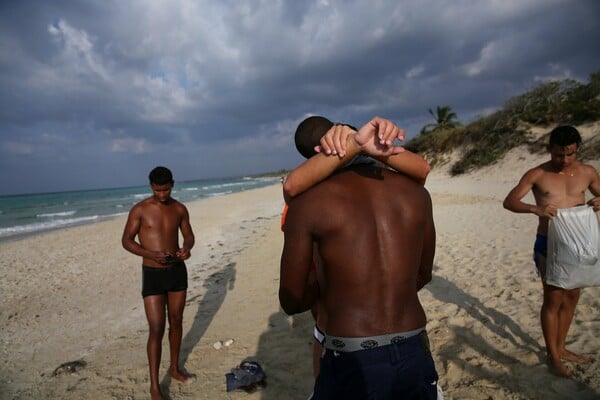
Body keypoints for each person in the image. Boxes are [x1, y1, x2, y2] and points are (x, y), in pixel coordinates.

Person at [280, 117, 438, 399]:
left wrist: (334, 288)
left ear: (315, 156)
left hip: (352, 355)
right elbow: (423, 275)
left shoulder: (307, 205)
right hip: (415, 344)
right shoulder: (417, 194)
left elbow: (292, 300)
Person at [503, 125, 600, 377]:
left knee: (572, 297)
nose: (565, 160)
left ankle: (562, 347)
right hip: (548, 243)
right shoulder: (537, 174)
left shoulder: (588, 172)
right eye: (559, 155)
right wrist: (536, 209)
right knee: (554, 298)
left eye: (570, 154)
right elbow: (510, 201)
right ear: (550, 150)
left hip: (580, 243)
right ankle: (553, 356)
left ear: (577, 150)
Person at [122, 166, 196, 400]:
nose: (162, 194)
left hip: (177, 272)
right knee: (156, 327)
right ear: (151, 186)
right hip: (152, 274)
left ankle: (174, 368)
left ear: (172, 185)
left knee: (176, 321)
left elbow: (189, 235)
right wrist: (150, 254)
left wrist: (187, 248)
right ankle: (155, 387)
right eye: (157, 190)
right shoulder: (140, 210)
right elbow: (126, 240)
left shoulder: (180, 209)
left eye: (165, 189)